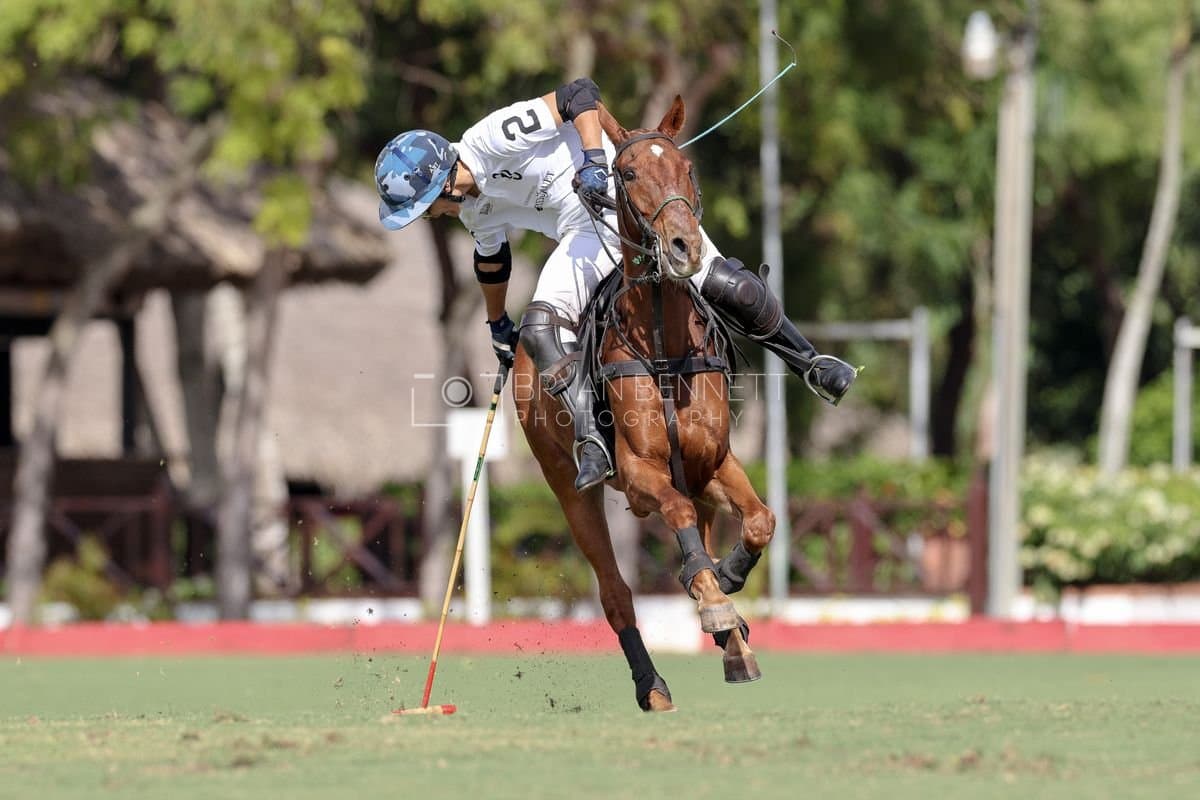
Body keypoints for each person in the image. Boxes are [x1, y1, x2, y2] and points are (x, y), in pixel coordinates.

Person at [374, 78, 855, 493]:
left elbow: (580, 94)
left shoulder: (489, 139)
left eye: (423, 206)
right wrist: (498, 322)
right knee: (538, 331)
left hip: (628, 195)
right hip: (580, 231)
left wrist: (590, 162)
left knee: (727, 283)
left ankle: (811, 363)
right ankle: (593, 442)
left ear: (437, 182)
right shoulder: (472, 209)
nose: (429, 215)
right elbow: (493, 260)